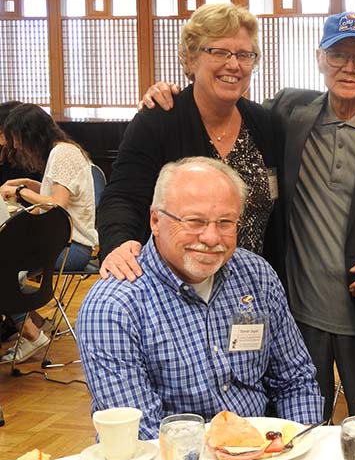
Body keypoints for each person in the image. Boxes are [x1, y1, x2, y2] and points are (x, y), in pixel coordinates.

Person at [141, 11, 355, 421]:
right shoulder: (287, 115)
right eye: (338, 55)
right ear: (319, 59)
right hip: (300, 311)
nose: (350, 67)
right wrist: (169, 92)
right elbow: (219, 93)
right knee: (301, 420)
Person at [77, 157, 322, 439]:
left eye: (225, 222)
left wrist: (298, 445)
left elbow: (295, 381)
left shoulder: (256, 275)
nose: (210, 237)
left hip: (264, 452)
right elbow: (142, 436)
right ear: (155, 220)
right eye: (194, 221)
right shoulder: (114, 306)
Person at [98, 3, 284, 281]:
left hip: (247, 289)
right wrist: (119, 245)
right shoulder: (160, 121)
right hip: (173, 288)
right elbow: (122, 197)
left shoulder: (264, 123)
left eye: (244, 54)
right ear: (191, 58)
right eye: (219, 51)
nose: (233, 64)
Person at [0, 104, 98, 363]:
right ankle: (31, 324)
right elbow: (56, 192)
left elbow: (57, 204)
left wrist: (20, 193)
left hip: (71, 248)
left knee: (3, 266)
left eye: (18, 139)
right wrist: (27, 184)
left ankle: (31, 334)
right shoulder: (63, 150)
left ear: (31, 133)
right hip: (67, 244)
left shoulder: (62, 153)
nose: (17, 146)